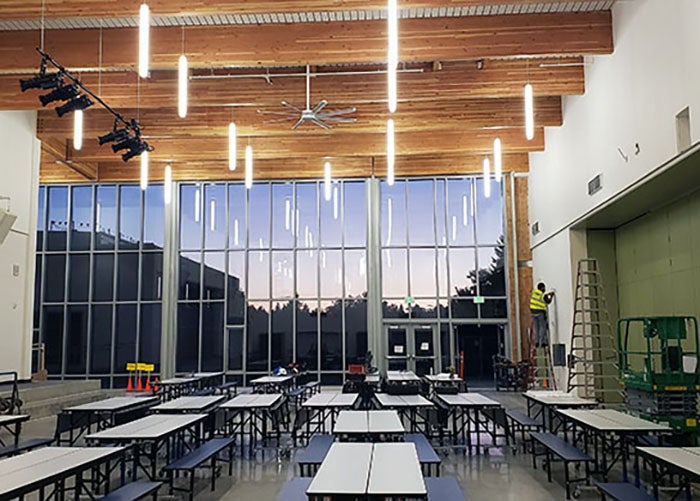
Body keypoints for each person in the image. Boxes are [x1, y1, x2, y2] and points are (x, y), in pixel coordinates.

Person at [530, 282, 554, 347]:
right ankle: (542, 342)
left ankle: (537, 342)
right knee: (542, 328)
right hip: (540, 313)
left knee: (536, 328)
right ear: (542, 288)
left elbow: (539, 297)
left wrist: (547, 294)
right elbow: (548, 301)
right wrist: (551, 296)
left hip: (533, 313)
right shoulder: (543, 295)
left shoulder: (534, 293)